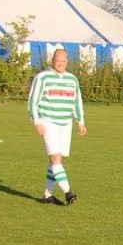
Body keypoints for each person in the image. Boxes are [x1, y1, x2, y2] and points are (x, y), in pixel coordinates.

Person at [28, 48, 86, 205]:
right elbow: (33, 101)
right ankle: (68, 192)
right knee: (55, 158)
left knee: (54, 161)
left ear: (67, 62)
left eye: (63, 61)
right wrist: (37, 121)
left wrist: (80, 122)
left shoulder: (72, 80)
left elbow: (77, 102)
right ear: (52, 61)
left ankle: (47, 195)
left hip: (65, 124)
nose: (60, 64)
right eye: (57, 61)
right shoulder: (42, 77)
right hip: (48, 122)